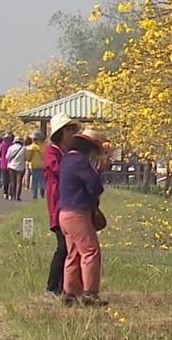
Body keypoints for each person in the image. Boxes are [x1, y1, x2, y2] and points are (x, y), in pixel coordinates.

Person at [59, 128, 109, 306]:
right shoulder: (80, 161)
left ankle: (70, 292)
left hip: (64, 213)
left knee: (74, 253)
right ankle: (90, 293)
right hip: (77, 213)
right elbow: (94, 186)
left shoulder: (67, 160)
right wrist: (99, 172)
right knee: (90, 251)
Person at [44, 113, 82, 300]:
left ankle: (66, 287)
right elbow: (58, 170)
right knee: (62, 247)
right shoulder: (52, 152)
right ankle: (52, 287)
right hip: (58, 205)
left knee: (70, 247)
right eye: (68, 130)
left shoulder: (67, 154)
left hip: (70, 204)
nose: (71, 134)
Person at [5, 136, 27, 201]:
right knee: (19, 182)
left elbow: (7, 157)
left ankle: (11, 194)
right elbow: (26, 158)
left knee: (12, 181)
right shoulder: (24, 149)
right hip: (20, 167)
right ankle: (17, 196)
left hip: (12, 166)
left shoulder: (11, 148)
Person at [26, 132, 46, 200]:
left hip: (34, 165)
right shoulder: (44, 146)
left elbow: (28, 158)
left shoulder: (31, 147)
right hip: (43, 165)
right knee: (42, 180)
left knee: (35, 182)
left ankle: (34, 195)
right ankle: (42, 194)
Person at [0, 134, 12, 198]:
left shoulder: (2, 145)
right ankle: (10, 194)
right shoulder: (12, 145)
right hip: (10, 164)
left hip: (3, 163)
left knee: (5, 179)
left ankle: (5, 193)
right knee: (11, 180)